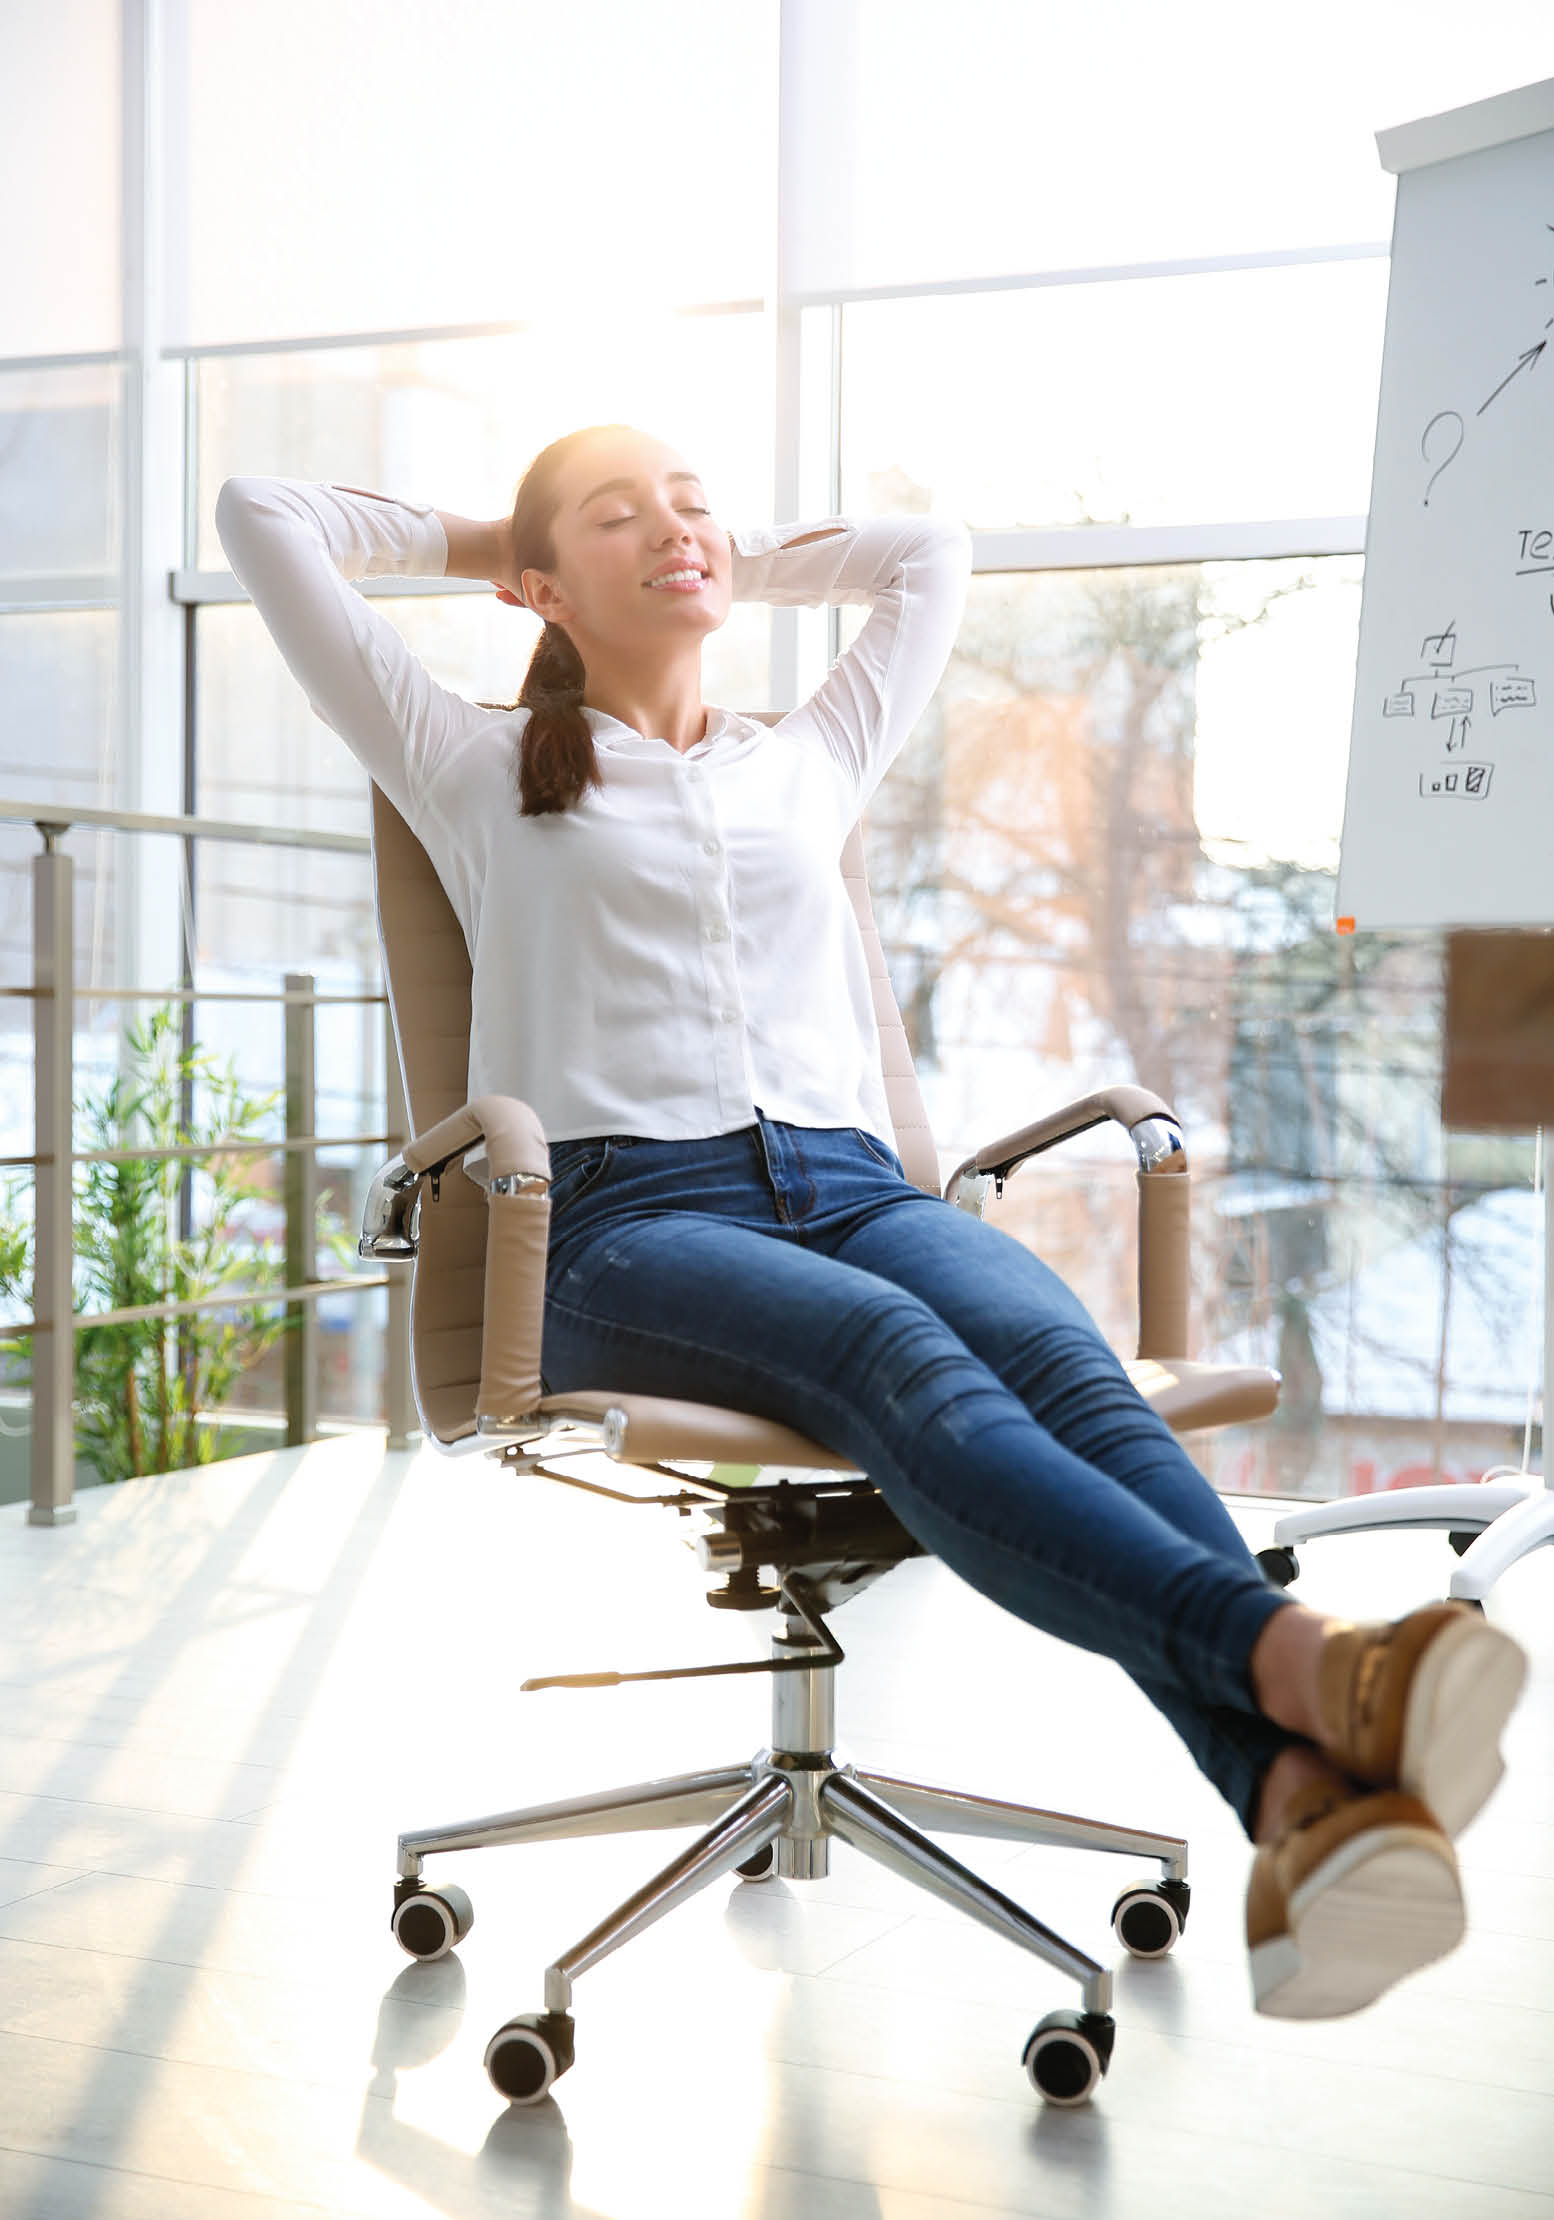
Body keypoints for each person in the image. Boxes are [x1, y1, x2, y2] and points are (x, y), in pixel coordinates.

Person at [216, 422, 1529, 2022]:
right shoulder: (466, 763)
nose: (676, 530)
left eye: (694, 504)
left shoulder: (805, 752)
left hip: (846, 1183)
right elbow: (262, 510)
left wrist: (691, 551)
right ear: (538, 584)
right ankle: (1302, 1663)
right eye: (621, 519)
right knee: (898, 1353)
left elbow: (927, 554)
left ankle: (1294, 1801)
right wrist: (521, 536)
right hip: (617, 1222)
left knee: (1061, 1358)